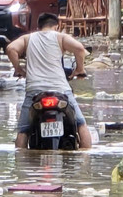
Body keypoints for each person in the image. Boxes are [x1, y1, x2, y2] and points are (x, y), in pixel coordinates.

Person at [6, 12, 92, 149]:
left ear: (38, 27)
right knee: (81, 124)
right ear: (57, 26)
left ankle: (20, 167)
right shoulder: (60, 37)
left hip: (35, 92)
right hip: (60, 90)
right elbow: (80, 49)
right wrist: (80, 69)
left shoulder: (28, 38)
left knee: (23, 130)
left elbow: (10, 49)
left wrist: (18, 69)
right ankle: (85, 163)